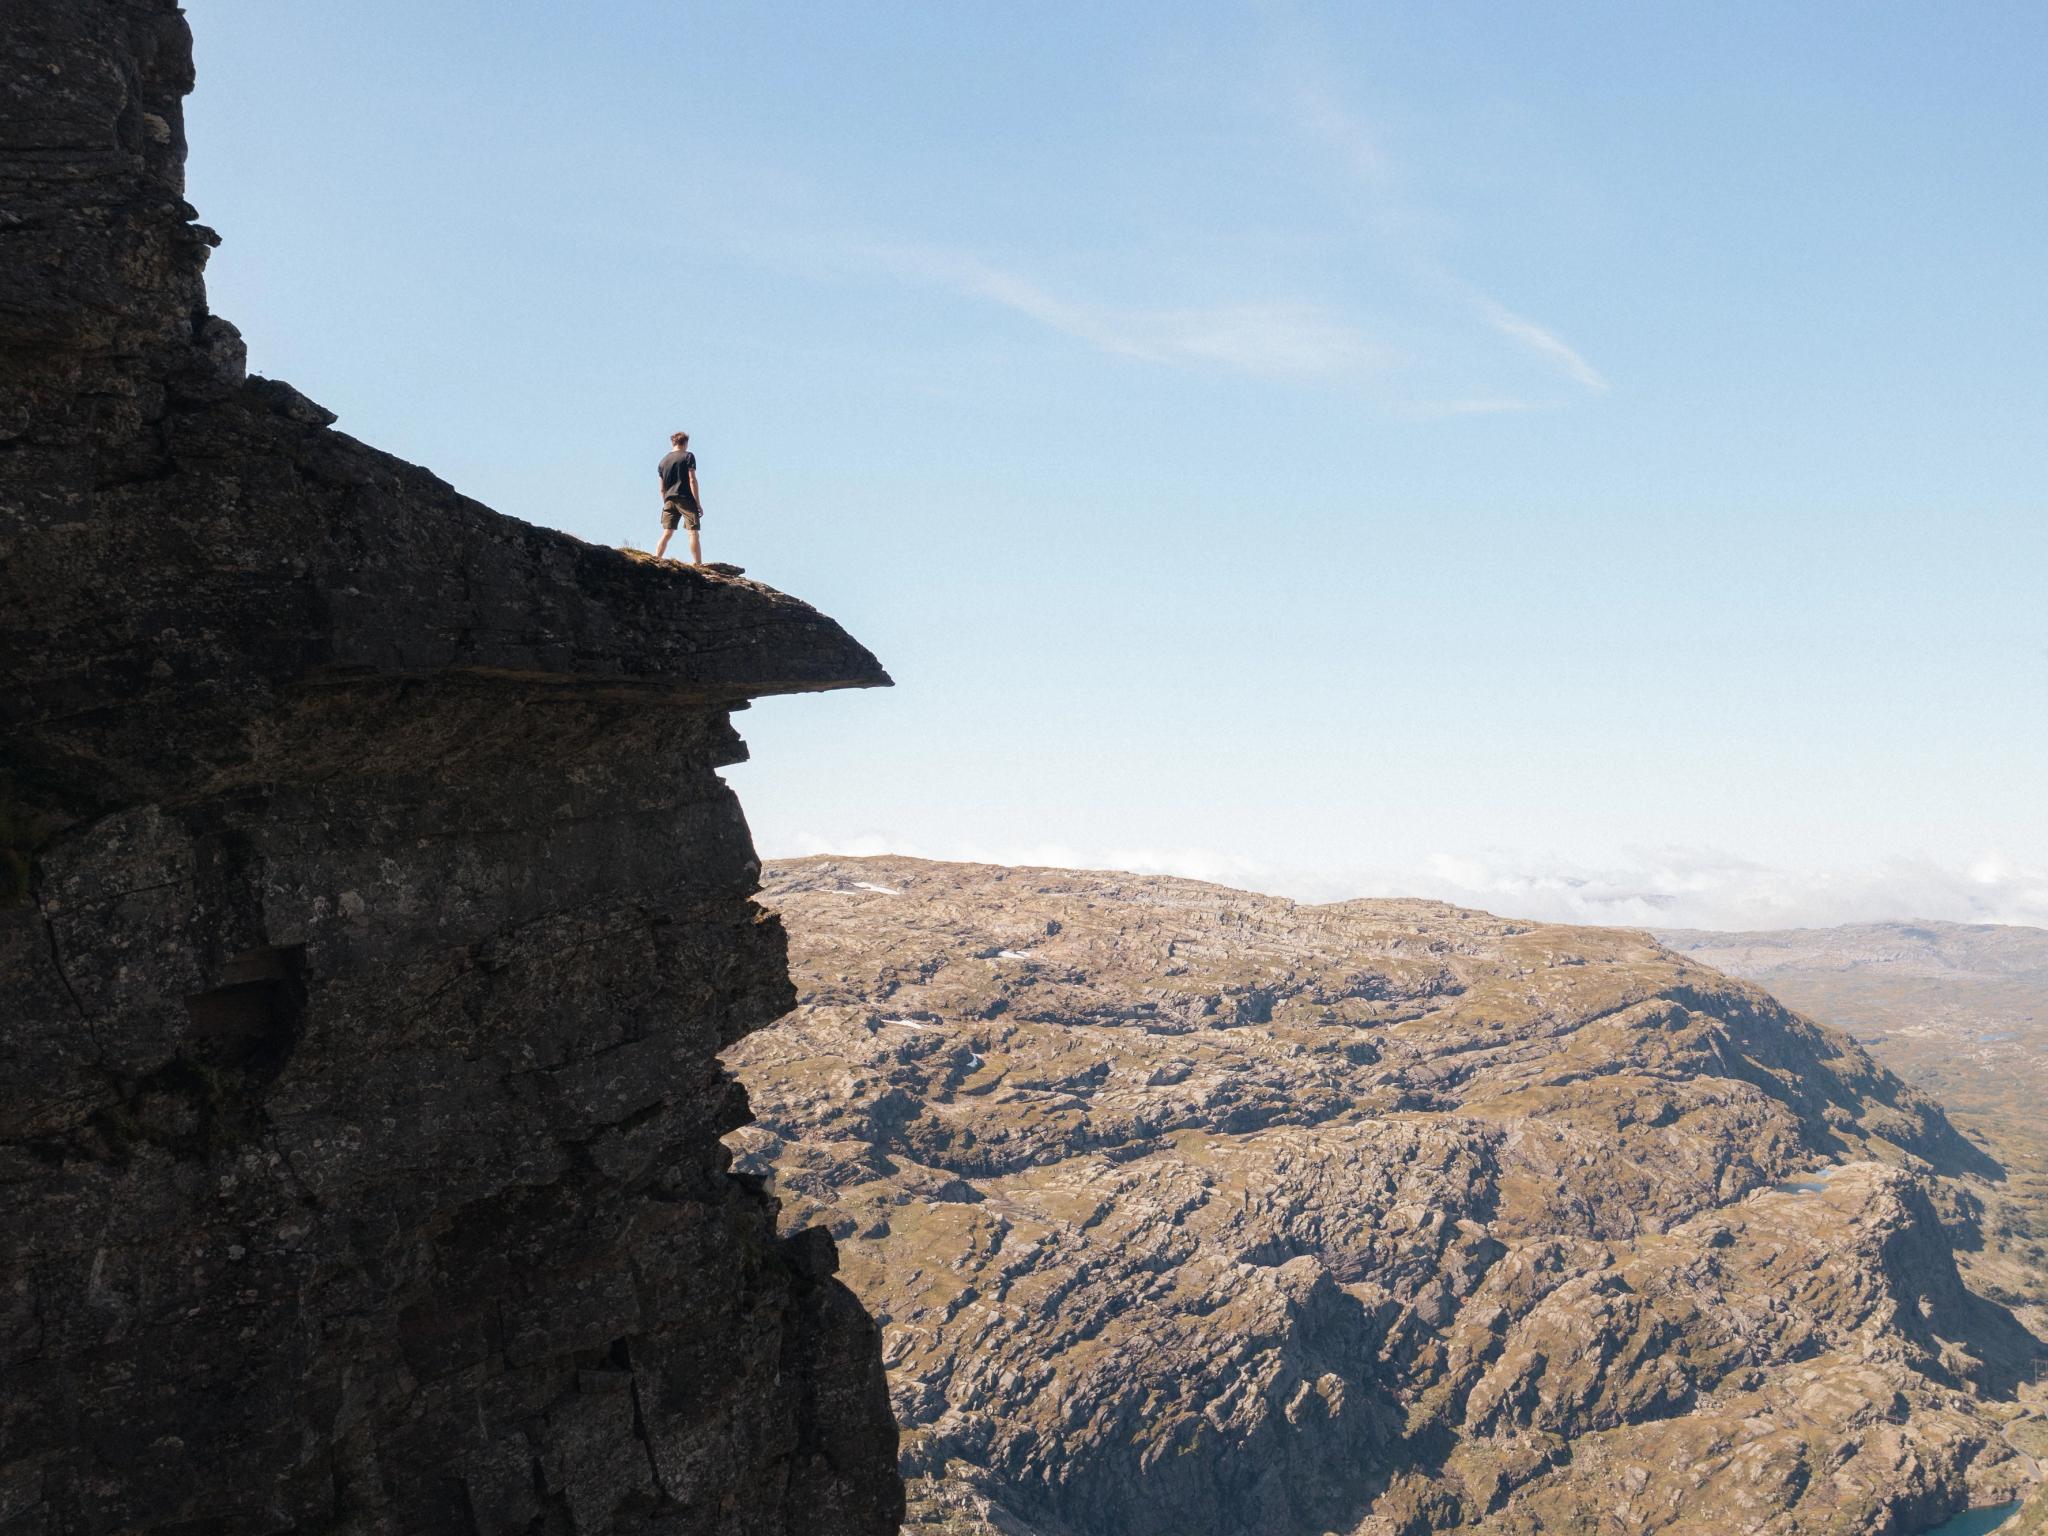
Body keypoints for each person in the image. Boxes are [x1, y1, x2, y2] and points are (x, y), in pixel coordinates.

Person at [655, 431, 704, 564]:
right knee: (693, 532)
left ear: (673, 442)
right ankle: (698, 563)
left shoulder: (663, 461)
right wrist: (697, 503)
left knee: (667, 532)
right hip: (686, 498)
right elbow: (692, 479)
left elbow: (661, 487)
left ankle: (656, 558)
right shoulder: (688, 456)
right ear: (685, 443)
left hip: (669, 499)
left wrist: (665, 501)